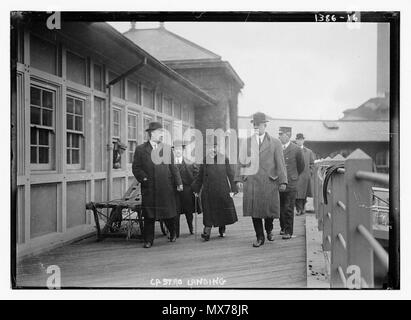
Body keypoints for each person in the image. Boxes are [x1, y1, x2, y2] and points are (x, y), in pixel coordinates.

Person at [235, 112, 288, 247]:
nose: (256, 127)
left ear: (265, 125)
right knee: (255, 211)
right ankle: (260, 236)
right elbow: (241, 162)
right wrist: (238, 179)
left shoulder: (275, 142)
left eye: (259, 125)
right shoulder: (246, 142)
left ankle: (269, 229)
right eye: (254, 125)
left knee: (269, 210)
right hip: (252, 182)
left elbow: (280, 163)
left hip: (269, 181)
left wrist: (283, 181)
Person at [132, 122, 183, 248]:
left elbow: (173, 167)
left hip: (165, 187)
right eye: (159, 132)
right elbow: (136, 168)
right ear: (152, 133)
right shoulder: (141, 149)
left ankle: (172, 233)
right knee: (149, 215)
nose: (161, 134)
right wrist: (144, 179)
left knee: (168, 213)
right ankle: (148, 240)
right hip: (149, 188)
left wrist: (179, 182)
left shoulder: (166, 148)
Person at [191, 138, 238, 241]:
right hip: (208, 191)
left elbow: (230, 174)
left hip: (222, 190)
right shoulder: (205, 160)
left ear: (218, 147)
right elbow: (200, 176)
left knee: (222, 211)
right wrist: (196, 189)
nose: (213, 149)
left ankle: (222, 228)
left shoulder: (224, 158)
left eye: (215, 147)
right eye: (210, 147)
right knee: (208, 212)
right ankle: (207, 232)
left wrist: (234, 188)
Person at [278, 127, 305, 240]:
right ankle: (283, 227)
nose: (279, 136)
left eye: (281, 134)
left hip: (291, 182)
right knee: (280, 207)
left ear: (288, 135)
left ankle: (288, 231)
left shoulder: (296, 149)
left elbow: (301, 166)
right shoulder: (277, 148)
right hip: (279, 182)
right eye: (278, 134)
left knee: (289, 207)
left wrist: (294, 176)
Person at [172, 139, 199, 237]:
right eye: (176, 149)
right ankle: (176, 232)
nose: (178, 151)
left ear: (183, 150)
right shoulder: (170, 164)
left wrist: (195, 189)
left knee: (188, 211)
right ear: (173, 151)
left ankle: (191, 228)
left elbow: (196, 177)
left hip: (187, 190)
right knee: (176, 211)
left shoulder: (190, 163)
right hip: (174, 191)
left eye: (180, 149)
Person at [295, 133, 315, 216]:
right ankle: (299, 209)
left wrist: (309, 172)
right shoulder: (293, 150)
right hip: (296, 175)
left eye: (301, 139)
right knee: (297, 194)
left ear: (303, 140)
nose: (300, 141)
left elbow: (312, 164)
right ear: (296, 140)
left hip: (305, 176)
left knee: (304, 193)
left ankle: (302, 208)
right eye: (298, 139)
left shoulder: (309, 152)